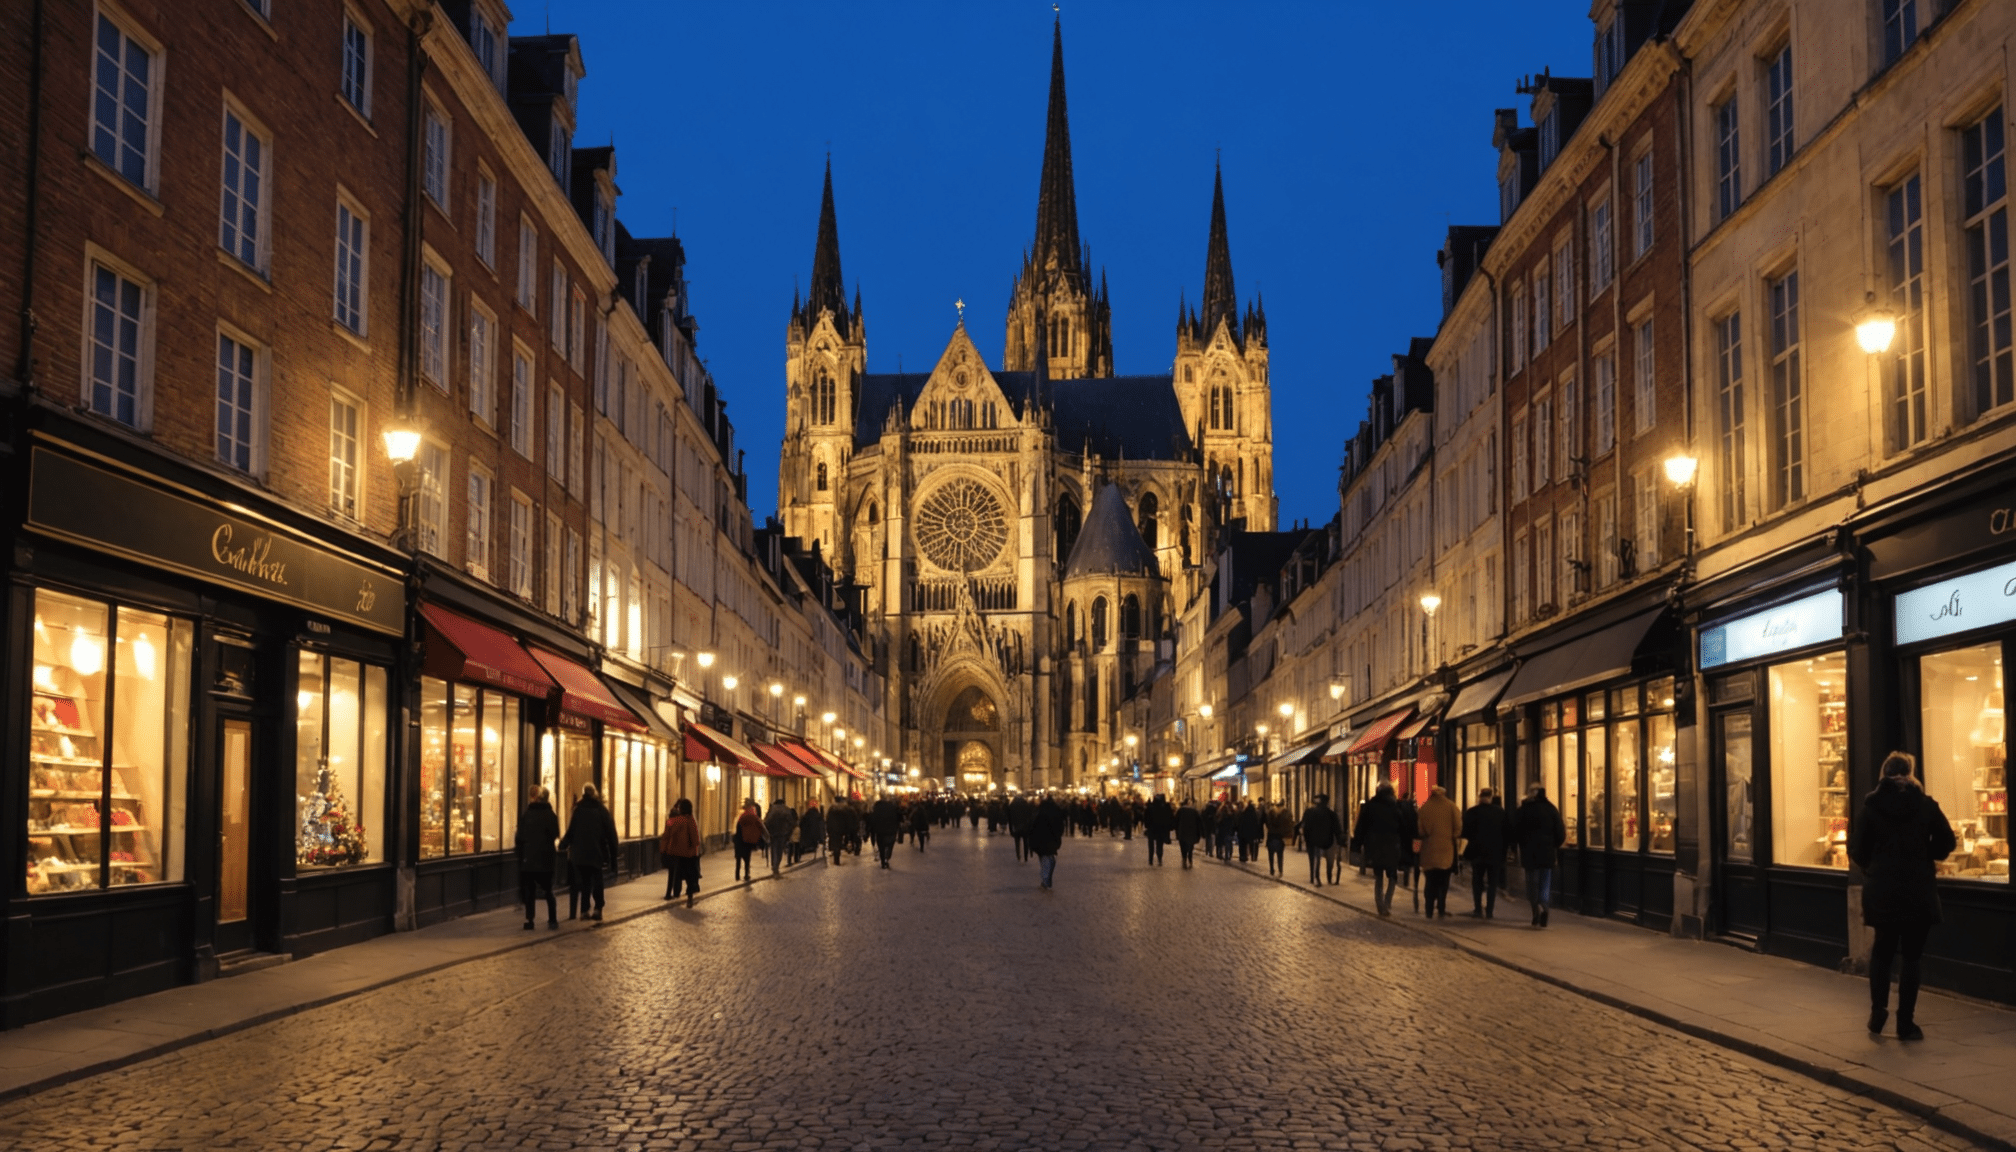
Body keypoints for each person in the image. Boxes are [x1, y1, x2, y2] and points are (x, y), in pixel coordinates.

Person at [1850, 751, 1957, 1041]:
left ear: (1883, 774)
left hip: (1882, 889)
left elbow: (1856, 850)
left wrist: (1873, 868)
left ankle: (1877, 1011)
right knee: (1912, 956)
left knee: (1882, 952)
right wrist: (1927, 856)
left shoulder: (1870, 808)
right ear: (1910, 774)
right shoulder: (1925, 805)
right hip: (1917, 889)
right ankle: (1905, 1022)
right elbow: (1948, 841)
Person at [559, 783, 618, 922]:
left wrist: (563, 844)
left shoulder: (578, 809)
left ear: (583, 794)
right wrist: (613, 854)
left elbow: (571, 831)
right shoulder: (601, 810)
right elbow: (611, 833)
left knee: (584, 881)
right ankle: (598, 908)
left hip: (579, 853)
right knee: (597, 880)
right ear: (595, 794)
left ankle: (584, 910)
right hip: (596, 852)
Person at [1514, 784, 1567, 927]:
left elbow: (1515, 831)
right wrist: (1554, 845)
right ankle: (1544, 905)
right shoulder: (1551, 809)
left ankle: (1535, 912)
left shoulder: (1523, 810)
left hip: (1529, 853)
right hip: (1547, 853)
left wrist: (1520, 845)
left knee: (1532, 883)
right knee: (1545, 882)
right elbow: (1560, 833)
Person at [1352, 783, 1404, 916]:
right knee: (1392, 876)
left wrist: (1356, 845)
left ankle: (1380, 905)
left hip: (1374, 846)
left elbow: (1361, 828)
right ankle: (1387, 902)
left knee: (1378, 876)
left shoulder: (1370, 806)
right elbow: (1403, 827)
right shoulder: (1396, 806)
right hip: (1392, 846)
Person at [515, 785, 560, 929]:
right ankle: (552, 919)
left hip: (529, 859)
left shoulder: (527, 814)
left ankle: (530, 920)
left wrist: (521, 855)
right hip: (546, 858)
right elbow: (555, 834)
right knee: (548, 890)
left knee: (530, 891)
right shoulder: (551, 815)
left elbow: (520, 837)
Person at [1461, 788, 1510, 918]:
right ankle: (1489, 910)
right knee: (1492, 883)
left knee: (1477, 880)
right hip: (1495, 853)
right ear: (1491, 797)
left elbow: (1464, 832)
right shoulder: (1500, 813)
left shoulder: (1472, 812)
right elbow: (1507, 834)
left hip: (1477, 852)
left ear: (1479, 797)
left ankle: (1477, 908)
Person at [1416, 785, 1461, 919]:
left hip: (1429, 849)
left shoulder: (1424, 807)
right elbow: (1458, 828)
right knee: (1444, 881)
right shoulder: (1451, 806)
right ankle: (1441, 908)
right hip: (1446, 850)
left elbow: (1421, 830)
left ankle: (1428, 909)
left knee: (1430, 881)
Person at [659, 798, 702, 906]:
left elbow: (666, 837)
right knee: (690, 876)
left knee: (676, 874)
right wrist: (695, 847)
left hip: (674, 853)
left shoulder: (673, 821)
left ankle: (675, 894)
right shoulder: (690, 821)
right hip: (688, 854)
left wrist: (664, 850)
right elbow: (695, 839)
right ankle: (690, 898)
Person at [1298, 795, 1341, 887]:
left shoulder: (1309, 812)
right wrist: (1339, 840)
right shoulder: (1331, 814)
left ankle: (1315, 878)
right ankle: (1328, 878)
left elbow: (1305, 826)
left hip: (1314, 841)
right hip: (1328, 840)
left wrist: (1306, 839)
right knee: (1329, 861)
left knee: (1315, 860)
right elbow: (1337, 828)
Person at [1029, 791, 1068, 890]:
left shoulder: (1040, 815)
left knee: (1044, 860)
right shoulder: (1056, 815)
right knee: (1048, 858)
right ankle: (1046, 879)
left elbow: (1034, 828)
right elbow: (1060, 828)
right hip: (1052, 841)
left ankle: (1045, 880)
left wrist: (1032, 842)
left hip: (1041, 842)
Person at [764, 797, 797, 875]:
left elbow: (767, 821)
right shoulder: (786, 810)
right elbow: (792, 823)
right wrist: (788, 831)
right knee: (780, 850)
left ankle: (774, 865)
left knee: (774, 849)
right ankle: (777, 866)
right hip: (783, 833)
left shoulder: (772, 809)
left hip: (773, 833)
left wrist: (768, 831)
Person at [733, 799, 765, 882]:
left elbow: (737, 827)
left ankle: (737, 875)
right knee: (747, 858)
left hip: (740, 839)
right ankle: (746, 874)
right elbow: (760, 826)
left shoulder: (742, 816)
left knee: (738, 858)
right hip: (749, 840)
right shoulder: (754, 816)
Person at [868, 795, 902, 868]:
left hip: (880, 831)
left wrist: (872, 830)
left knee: (881, 847)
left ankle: (883, 862)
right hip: (891, 830)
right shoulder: (892, 807)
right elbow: (899, 816)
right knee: (890, 845)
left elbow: (872, 819)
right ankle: (887, 857)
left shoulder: (876, 808)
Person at [1265, 800, 1296, 877]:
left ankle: (1272, 870)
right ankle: (1279, 870)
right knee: (1279, 855)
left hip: (1272, 836)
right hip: (1279, 837)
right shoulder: (1285, 814)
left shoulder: (1271, 813)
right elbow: (1288, 825)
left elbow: (1268, 824)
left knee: (1272, 855)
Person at [1143, 794, 1175, 866]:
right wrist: (1169, 827)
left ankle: (1151, 860)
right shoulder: (1165, 807)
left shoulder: (1151, 807)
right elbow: (1170, 817)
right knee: (1159, 844)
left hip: (1152, 828)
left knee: (1151, 844)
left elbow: (1146, 817)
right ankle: (1159, 859)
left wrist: (1147, 826)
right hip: (1161, 829)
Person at [826, 798, 858, 864]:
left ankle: (836, 858)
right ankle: (838, 855)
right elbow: (849, 820)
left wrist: (828, 829)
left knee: (835, 843)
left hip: (833, 829)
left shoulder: (832, 809)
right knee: (839, 842)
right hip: (842, 829)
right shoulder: (845, 809)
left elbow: (828, 819)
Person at [1174, 797, 1203, 868]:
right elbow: (1199, 822)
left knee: (1183, 847)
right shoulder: (1195, 811)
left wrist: (1176, 830)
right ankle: (1190, 860)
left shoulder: (1180, 810)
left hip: (1182, 832)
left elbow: (1175, 821)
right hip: (1192, 832)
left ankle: (1184, 859)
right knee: (1190, 847)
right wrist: (1200, 832)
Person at [798, 801, 827, 867]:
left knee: (810, 846)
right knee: (815, 846)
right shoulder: (819, 816)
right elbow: (822, 827)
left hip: (808, 836)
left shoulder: (806, 816)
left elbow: (801, 825)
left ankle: (809, 857)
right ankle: (814, 856)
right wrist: (822, 837)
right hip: (817, 835)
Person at [1008, 792, 1035, 862]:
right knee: (1025, 842)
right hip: (1025, 826)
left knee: (1017, 842)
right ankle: (1026, 857)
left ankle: (1018, 855)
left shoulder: (1012, 805)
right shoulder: (1026, 805)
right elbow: (1030, 816)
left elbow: (1010, 818)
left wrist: (1011, 829)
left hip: (1016, 826)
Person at [1237, 800, 1263, 865]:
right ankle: (1253, 857)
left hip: (1244, 832)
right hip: (1252, 833)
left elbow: (1241, 823)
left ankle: (1243, 856)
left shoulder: (1244, 814)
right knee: (1253, 845)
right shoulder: (1255, 815)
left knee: (1243, 845)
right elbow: (1257, 824)